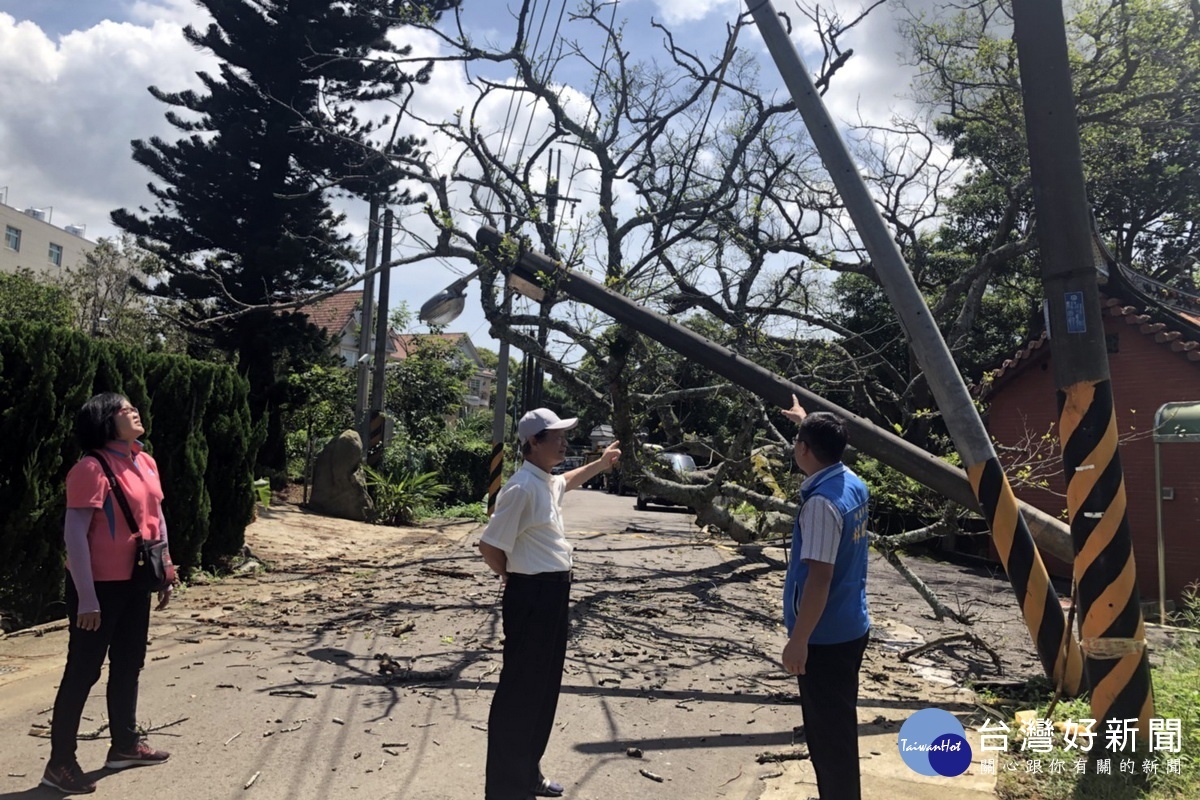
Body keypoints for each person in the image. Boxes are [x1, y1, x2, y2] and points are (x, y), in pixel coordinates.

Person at [478, 408, 621, 800]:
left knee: (543, 690)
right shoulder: (521, 488)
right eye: (554, 435)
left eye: (562, 434)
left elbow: (568, 481)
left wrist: (601, 463)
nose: (562, 441)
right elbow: (490, 546)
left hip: (553, 594)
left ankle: (528, 773)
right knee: (520, 693)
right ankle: (507, 788)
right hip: (531, 595)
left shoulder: (544, 480)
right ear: (533, 443)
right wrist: (511, 575)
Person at [41, 393, 174, 795]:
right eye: (123, 409)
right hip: (97, 587)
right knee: (82, 671)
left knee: (129, 663)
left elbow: (157, 519)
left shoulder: (144, 460)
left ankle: (124, 744)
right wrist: (87, 598)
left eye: (134, 406)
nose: (133, 411)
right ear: (103, 420)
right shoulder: (90, 468)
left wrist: (165, 569)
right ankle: (60, 763)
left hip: (136, 580)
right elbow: (74, 537)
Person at [779, 394, 871, 800]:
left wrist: (799, 640)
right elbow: (817, 445)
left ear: (804, 449)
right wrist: (805, 421)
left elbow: (819, 577)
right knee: (838, 729)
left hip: (824, 636)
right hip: (852, 624)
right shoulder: (851, 483)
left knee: (828, 740)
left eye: (799, 440)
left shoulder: (820, 504)